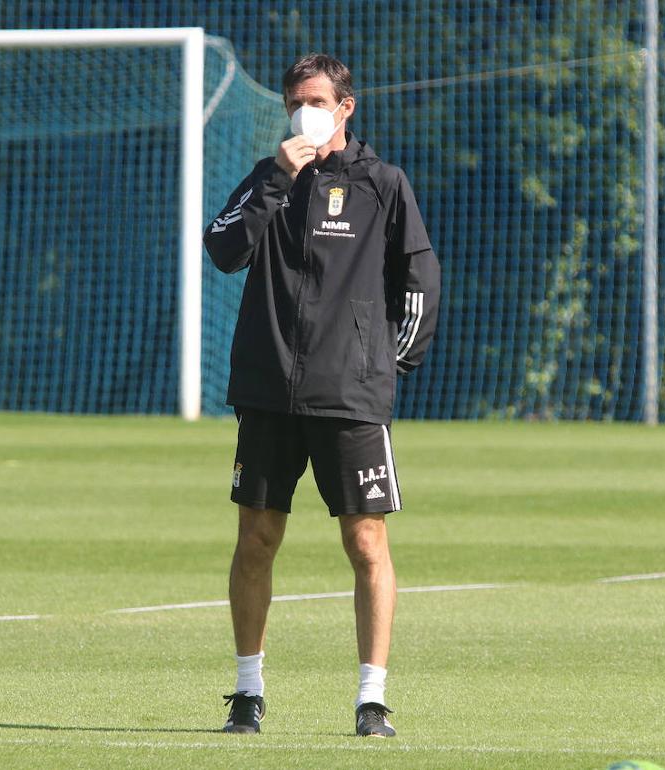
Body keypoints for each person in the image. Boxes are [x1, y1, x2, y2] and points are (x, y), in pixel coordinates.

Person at [203, 53, 440, 738]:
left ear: (345, 107)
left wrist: (389, 364)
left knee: (366, 542)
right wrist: (279, 175)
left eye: (315, 100)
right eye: (293, 101)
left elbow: (420, 278)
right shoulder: (269, 177)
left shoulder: (383, 184)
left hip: (352, 398)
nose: (303, 111)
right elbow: (222, 249)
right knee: (257, 539)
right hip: (269, 391)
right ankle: (247, 693)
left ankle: (372, 700)